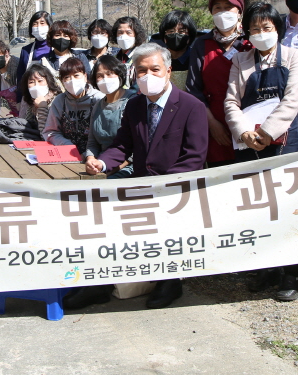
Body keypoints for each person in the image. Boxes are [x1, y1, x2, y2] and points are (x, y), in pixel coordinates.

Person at [82, 42, 208, 310]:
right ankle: (104, 283)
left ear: (169, 71)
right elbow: (122, 145)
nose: (148, 76)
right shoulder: (135, 105)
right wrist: (102, 163)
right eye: (141, 71)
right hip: (140, 183)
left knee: (166, 238)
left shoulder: (191, 107)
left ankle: (170, 282)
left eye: (155, 69)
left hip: (175, 188)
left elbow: (195, 156)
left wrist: (162, 186)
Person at [223, 2, 298, 301]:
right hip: (248, 144)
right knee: (258, 206)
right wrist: (244, 132)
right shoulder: (240, 60)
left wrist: (266, 132)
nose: (261, 34)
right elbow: (231, 101)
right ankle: (266, 267)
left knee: (286, 205)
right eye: (255, 29)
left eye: (267, 28)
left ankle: (290, 273)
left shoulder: (295, 56)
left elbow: (292, 100)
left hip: (283, 141)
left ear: (278, 30)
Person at [187, 0, 251, 167]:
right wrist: (213, 124)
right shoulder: (202, 44)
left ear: (239, 12)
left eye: (228, 7)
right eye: (218, 8)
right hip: (214, 124)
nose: (223, 12)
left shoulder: (250, 41)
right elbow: (194, 90)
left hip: (249, 121)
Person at [83, 54, 137, 179]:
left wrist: (109, 171)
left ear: (120, 75)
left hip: (127, 166)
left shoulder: (132, 102)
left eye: (110, 73)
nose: (105, 79)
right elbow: (92, 142)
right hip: (101, 164)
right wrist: (91, 160)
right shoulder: (97, 106)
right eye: (100, 76)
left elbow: (136, 148)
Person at [43, 57, 104, 155]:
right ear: (62, 81)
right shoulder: (59, 101)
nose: (72, 81)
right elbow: (51, 131)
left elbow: (105, 135)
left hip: (94, 156)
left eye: (76, 75)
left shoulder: (98, 99)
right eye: (67, 77)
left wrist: (90, 155)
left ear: (85, 76)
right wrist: (66, 145)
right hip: (66, 153)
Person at [152, 10, 198, 90]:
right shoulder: (157, 59)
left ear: (190, 36)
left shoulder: (196, 59)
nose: (176, 35)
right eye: (171, 31)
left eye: (181, 32)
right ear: (164, 36)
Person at [14, 10, 52, 101]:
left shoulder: (56, 49)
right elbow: (20, 78)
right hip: (30, 99)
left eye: (42, 23)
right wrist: (19, 100)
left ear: (50, 26)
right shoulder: (25, 51)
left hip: (53, 98)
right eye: (35, 24)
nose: (38, 27)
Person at [40, 20, 92, 85]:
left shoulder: (79, 57)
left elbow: (89, 80)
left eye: (65, 36)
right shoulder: (44, 62)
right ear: (51, 38)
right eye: (57, 35)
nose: (61, 39)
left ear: (71, 38)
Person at [17, 63, 60, 133]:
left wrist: (42, 107)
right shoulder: (27, 100)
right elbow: (24, 124)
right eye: (31, 82)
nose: (36, 85)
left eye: (40, 81)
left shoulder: (57, 101)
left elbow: (47, 132)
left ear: (48, 82)